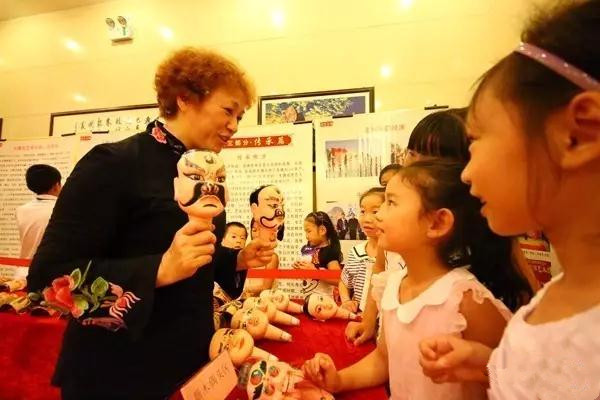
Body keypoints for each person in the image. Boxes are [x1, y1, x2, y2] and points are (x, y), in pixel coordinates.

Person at [27, 47, 275, 399]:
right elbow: (47, 278)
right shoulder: (113, 163)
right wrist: (159, 269)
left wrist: (237, 259)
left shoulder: (203, 170)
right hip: (116, 373)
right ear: (184, 98)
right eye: (228, 110)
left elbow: (189, 259)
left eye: (240, 116)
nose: (234, 125)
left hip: (189, 362)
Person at [420, 2, 600, 398]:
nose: (464, 173)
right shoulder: (557, 294)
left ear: (577, 134)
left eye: (476, 140)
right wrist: (491, 366)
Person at [303, 160, 526, 399]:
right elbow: (383, 360)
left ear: (437, 223)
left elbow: (515, 377)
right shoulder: (393, 286)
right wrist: (339, 380)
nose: (379, 215)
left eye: (391, 202)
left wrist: (484, 368)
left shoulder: (466, 299)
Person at [346, 109, 536, 346]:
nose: (414, 166)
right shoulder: (398, 226)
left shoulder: (482, 241)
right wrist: (368, 320)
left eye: (430, 160)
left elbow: (519, 328)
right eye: (411, 153)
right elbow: (380, 268)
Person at [339, 187, 384, 313]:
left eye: (375, 212)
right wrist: (346, 301)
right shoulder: (355, 252)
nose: (366, 219)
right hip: (358, 317)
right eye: (363, 211)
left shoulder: (396, 255)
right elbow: (344, 282)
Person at [16, 164, 62, 259]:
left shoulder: (21, 210)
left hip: (25, 265)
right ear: (56, 185)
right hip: (51, 266)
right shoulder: (62, 209)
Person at [294, 211, 342, 294]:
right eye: (305, 232)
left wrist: (315, 271)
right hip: (307, 297)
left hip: (324, 300)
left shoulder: (329, 252)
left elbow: (338, 279)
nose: (306, 236)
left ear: (322, 230)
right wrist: (298, 267)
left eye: (309, 231)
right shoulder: (307, 249)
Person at [242, 219, 280, 296]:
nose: (257, 234)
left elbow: (266, 288)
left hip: (264, 300)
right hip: (246, 299)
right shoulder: (247, 255)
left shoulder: (272, 258)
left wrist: (243, 290)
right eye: (254, 230)